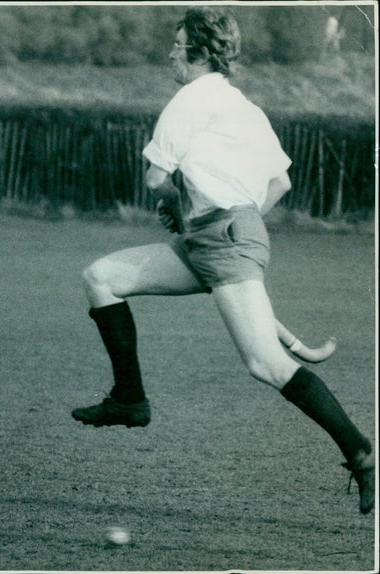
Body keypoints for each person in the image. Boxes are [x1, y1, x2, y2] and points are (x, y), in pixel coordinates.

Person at [70, 7, 374, 515]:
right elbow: (281, 183)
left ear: (200, 53)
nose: (170, 51)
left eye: (178, 44)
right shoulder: (245, 107)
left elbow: (152, 180)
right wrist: (226, 221)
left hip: (223, 237)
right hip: (221, 234)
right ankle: (129, 400)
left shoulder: (189, 99)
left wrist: (189, 210)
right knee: (101, 278)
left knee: (266, 364)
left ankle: (362, 454)